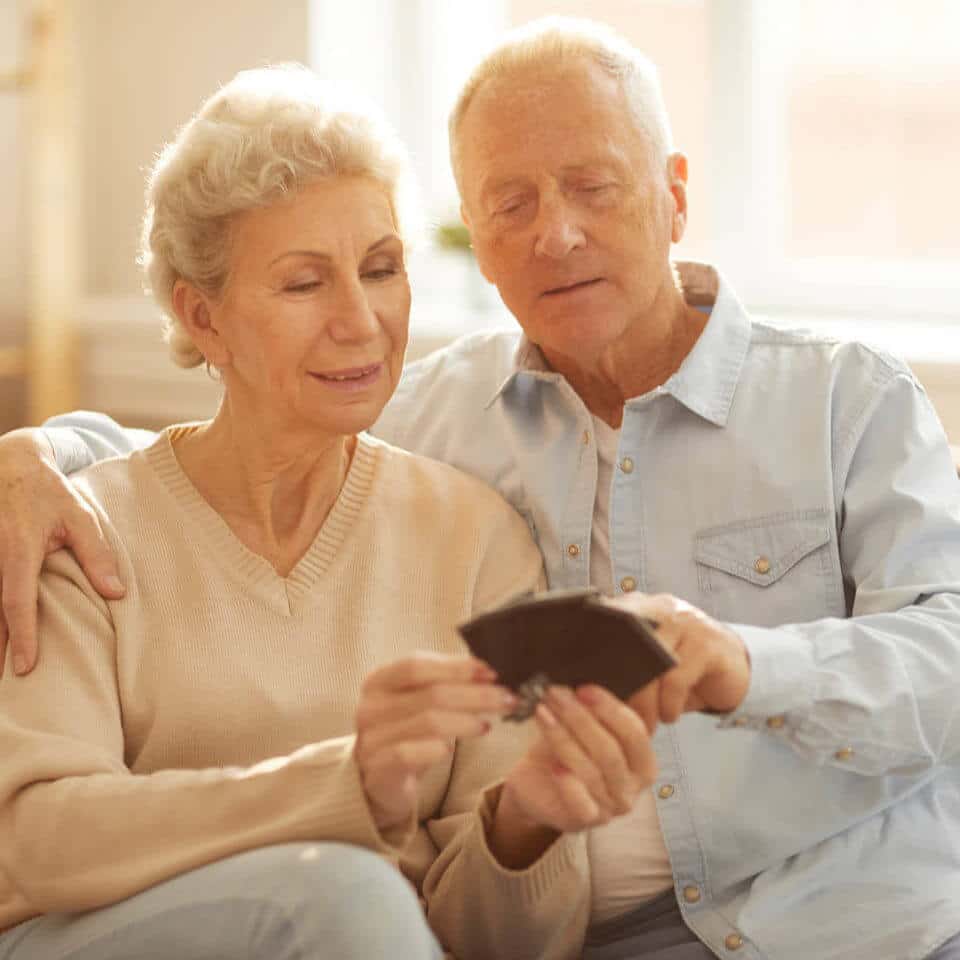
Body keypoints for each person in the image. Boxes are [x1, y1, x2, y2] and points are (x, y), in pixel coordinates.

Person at [1, 15, 959, 960]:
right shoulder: (431, 416)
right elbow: (226, 457)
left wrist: (746, 670)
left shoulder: (842, 398)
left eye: (593, 185)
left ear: (673, 196)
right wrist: (39, 452)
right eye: (511, 204)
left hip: (850, 922)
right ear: (475, 237)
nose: (559, 232)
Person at [0, 63, 662, 960]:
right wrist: (347, 785)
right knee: (344, 890)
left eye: (381, 269)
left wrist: (524, 826)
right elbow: (39, 841)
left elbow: (496, 944)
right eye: (305, 284)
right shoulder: (78, 530)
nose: (362, 321)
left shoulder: (476, 541)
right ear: (204, 319)